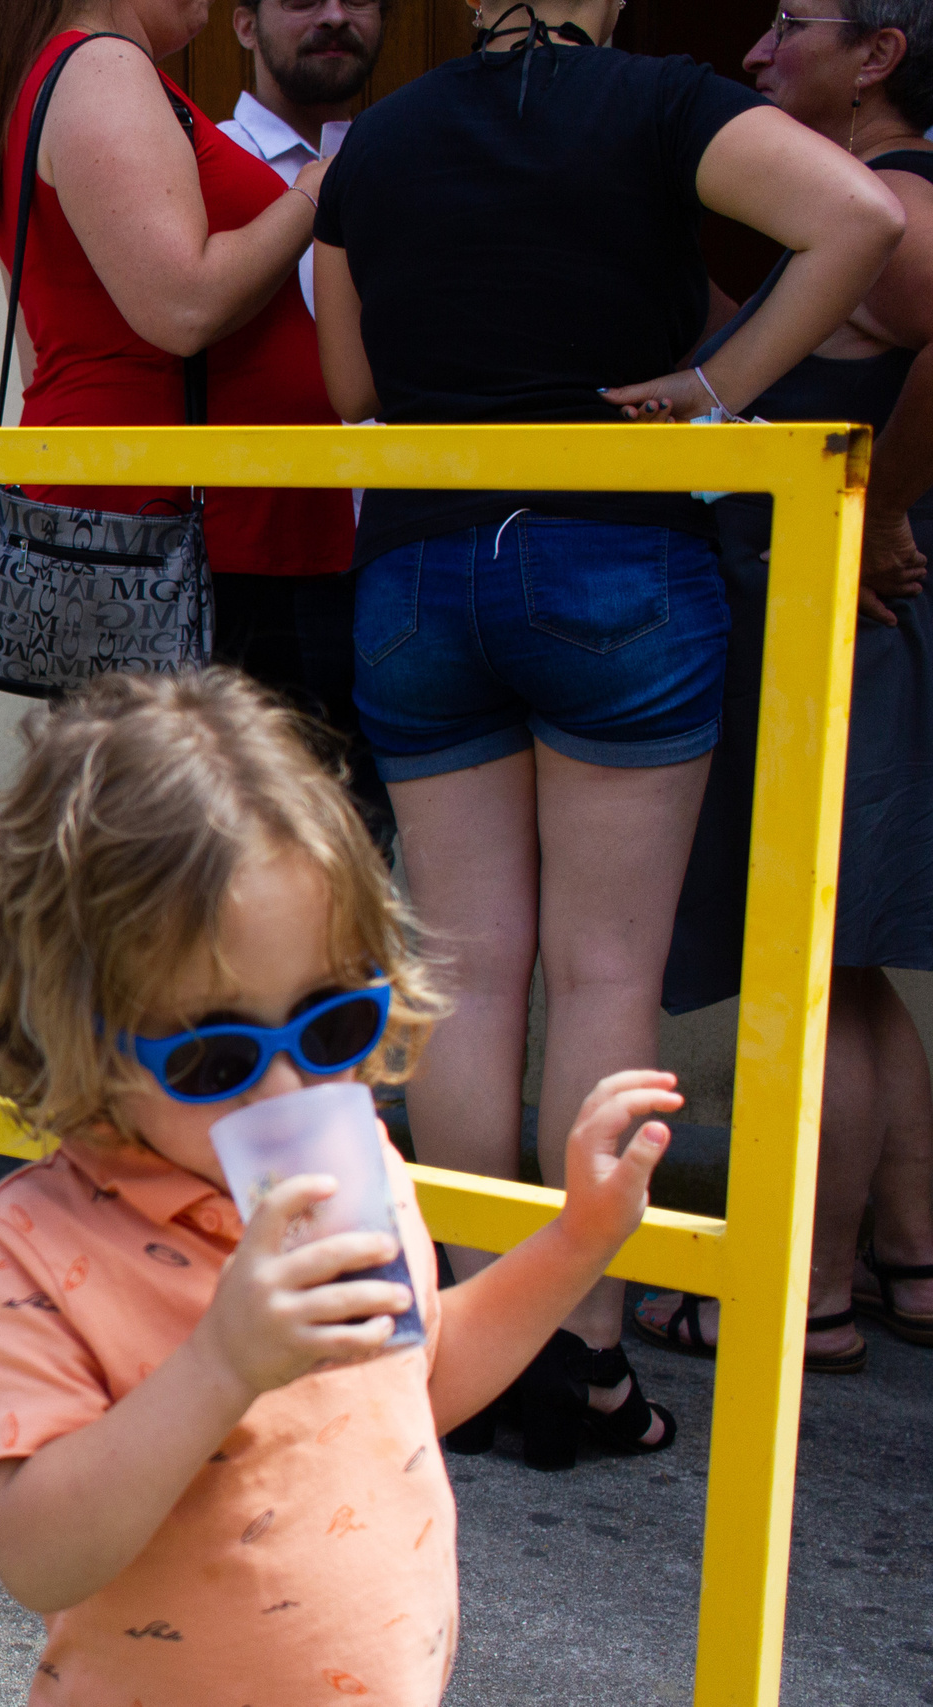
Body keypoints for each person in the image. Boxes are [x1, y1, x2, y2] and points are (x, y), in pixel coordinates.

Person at [310, 0, 904, 1462]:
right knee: (605, 972)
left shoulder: (377, 138)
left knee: (459, 968)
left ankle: (470, 1336)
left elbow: (350, 393)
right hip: (617, 560)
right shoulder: (659, 102)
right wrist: (717, 396)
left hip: (418, 565)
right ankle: (581, 1351)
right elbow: (856, 217)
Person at [0, 669, 678, 1705]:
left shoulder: (357, 1161)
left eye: (331, 1026)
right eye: (213, 1056)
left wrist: (574, 1243)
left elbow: (404, 1389)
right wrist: (222, 1365)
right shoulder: (27, 1246)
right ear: (73, 1035)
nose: (290, 1087)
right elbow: (37, 1556)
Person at [644, 1, 933, 1373]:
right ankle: (909, 1253)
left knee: (809, 964)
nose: (757, 51)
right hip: (842, 614)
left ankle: (802, 1291)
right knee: (851, 962)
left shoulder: (890, 206)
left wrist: (883, 504)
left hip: (847, 612)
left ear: (877, 57)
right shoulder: (856, 214)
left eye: (795, 24)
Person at [0, 0, 385, 844]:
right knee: (265, 862)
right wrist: (312, 192)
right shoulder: (104, 71)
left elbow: (46, 348)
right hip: (212, 549)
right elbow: (182, 302)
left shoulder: (48, 79)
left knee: (164, 861)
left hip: (165, 537)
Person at [215, 0, 386, 316]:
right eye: (304, 2)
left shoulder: (402, 165)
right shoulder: (202, 166)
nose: (335, 17)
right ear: (247, 27)